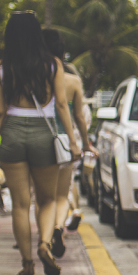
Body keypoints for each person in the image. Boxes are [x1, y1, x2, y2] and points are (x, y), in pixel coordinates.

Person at [0, 12, 80, 275]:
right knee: (47, 199)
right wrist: (73, 143)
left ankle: (27, 263)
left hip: (13, 133)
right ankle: (44, 244)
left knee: (19, 204)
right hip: (43, 133)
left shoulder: (0, 68)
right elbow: (62, 106)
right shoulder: (52, 65)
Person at [41, 28, 94, 257]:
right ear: (62, 54)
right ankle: (57, 228)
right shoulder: (73, 81)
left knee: (43, 199)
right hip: (63, 142)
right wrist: (85, 143)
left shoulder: (31, 78)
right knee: (62, 196)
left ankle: (43, 237)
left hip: (39, 141)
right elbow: (80, 117)